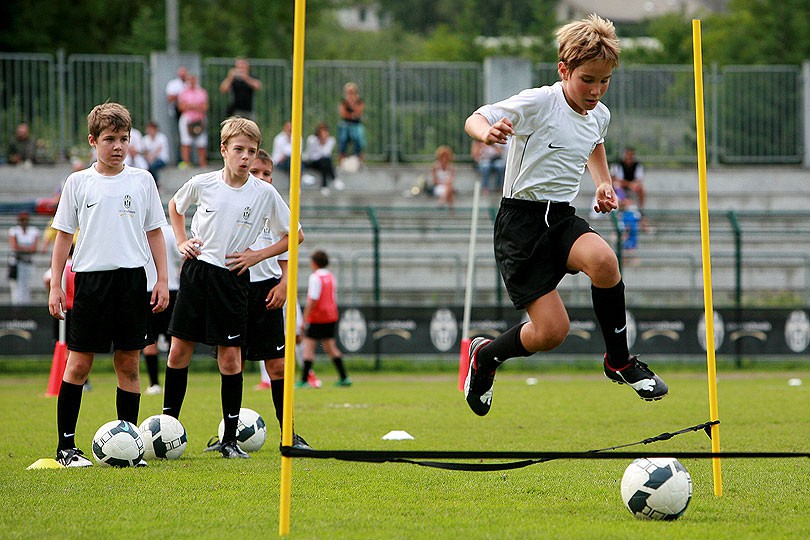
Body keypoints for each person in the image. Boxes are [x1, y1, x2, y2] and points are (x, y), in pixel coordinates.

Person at [462, 14, 668, 417]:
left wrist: (604, 183)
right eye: (587, 80)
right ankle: (485, 357)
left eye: (604, 81)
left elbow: (594, 141)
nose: (596, 90)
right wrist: (485, 133)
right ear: (564, 69)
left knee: (605, 261)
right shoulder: (540, 102)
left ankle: (619, 361)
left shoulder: (599, 113)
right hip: (520, 225)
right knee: (552, 333)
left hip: (560, 218)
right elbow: (476, 116)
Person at [161, 116, 302, 459]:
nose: (245, 157)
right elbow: (175, 208)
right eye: (238, 149)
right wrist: (181, 241)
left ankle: (230, 440)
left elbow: (294, 235)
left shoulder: (265, 193)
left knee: (230, 357)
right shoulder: (203, 183)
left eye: (251, 152)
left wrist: (258, 255)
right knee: (179, 350)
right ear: (223, 150)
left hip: (233, 278)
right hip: (197, 273)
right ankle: (166, 430)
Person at [48, 102, 170, 467]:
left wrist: (162, 279)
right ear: (93, 141)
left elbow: (155, 232)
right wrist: (57, 285)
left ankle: (129, 446)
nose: (118, 146)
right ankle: (66, 448)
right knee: (78, 364)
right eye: (109, 139)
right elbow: (62, 237)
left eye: (124, 139)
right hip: (90, 282)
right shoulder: (78, 183)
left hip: (132, 282)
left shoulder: (142, 181)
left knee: (129, 365)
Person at [232, 149, 310, 449]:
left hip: (268, 291)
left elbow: (291, 246)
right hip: (236, 289)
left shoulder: (274, 203)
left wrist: (284, 284)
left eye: (266, 173)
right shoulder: (233, 200)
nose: (262, 178)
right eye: (255, 172)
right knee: (232, 362)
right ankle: (229, 437)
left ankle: (289, 433)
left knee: (277, 366)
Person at [299, 250, 351, 388]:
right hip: (331, 315)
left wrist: (305, 319)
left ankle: (304, 380)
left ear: (314, 263)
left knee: (308, 348)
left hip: (318, 317)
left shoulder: (315, 277)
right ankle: (344, 377)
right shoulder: (330, 276)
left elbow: (313, 299)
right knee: (330, 347)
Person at [142, 223, 181, 395]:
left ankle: (154, 384)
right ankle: (173, 382)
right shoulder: (169, 231)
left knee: (150, 340)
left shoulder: (137, 230)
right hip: (169, 288)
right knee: (173, 339)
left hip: (146, 290)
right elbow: (181, 255)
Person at [611, 146, 648, 229]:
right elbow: (614, 179)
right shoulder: (617, 164)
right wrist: (629, 184)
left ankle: (641, 209)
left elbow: (639, 180)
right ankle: (620, 204)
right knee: (617, 185)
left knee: (641, 188)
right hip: (621, 187)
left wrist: (634, 185)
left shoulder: (637, 165)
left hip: (632, 188)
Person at [177, 74, 209, 168]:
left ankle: (202, 164)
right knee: (186, 141)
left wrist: (191, 106)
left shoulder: (202, 92)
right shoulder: (183, 92)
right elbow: (181, 107)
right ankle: (186, 163)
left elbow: (205, 107)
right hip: (187, 119)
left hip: (200, 119)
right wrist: (196, 106)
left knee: (202, 142)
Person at [8, 211, 39, 305]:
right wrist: (27, 248)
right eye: (22, 220)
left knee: (26, 287)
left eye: (25, 219)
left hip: (28, 262)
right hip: (17, 262)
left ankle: (25, 309)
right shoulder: (14, 230)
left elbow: (34, 248)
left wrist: (22, 248)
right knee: (16, 288)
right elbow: (14, 247)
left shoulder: (33, 230)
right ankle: (16, 309)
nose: (24, 222)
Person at [303, 122, 343, 195]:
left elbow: (327, 154)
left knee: (325, 162)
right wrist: (320, 142)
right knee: (325, 161)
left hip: (323, 163)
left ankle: (324, 186)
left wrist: (324, 142)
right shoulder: (312, 140)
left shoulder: (331, 141)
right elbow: (312, 155)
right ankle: (333, 178)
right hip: (312, 162)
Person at [337, 82, 365, 167]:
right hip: (345, 124)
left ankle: (359, 159)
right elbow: (343, 114)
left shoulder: (359, 101)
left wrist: (353, 104)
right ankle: (342, 159)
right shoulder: (343, 102)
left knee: (358, 137)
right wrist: (352, 115)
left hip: (356, 124)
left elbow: (359, 113)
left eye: (352, 92)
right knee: (343, 137)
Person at [142, 121, 170, 187]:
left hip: (161, 159)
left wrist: (152, 157)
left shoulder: (162, 138)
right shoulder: (145, 139)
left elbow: (159, 150)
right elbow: (145, 151)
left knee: (152, 166)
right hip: (149, 159)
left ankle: (155, 183)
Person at [430, 145, 456, 210]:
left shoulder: (451, 167)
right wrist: (443, 183)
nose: (444, 158)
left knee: (449, 187)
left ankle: (442, 201)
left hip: (447, 187)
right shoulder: (435, 166)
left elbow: (451, 180)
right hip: (438, 187)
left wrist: (446, 183)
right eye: (443, 156)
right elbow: (434, 181)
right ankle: (452, 210)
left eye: (446, 156)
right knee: (449, 189)